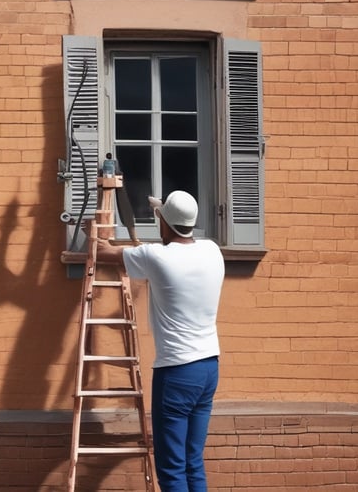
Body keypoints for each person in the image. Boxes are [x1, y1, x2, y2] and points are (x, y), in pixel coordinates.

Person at [97, 190, 224, 492]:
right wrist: (162, 211)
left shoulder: (156, 256)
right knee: (192, 462)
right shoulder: (212, 251)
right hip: (208, 367)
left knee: (171, 470)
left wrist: (97, 225)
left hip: (177, 371)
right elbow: (173, 238)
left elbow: (103, 251)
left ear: (164, 223)